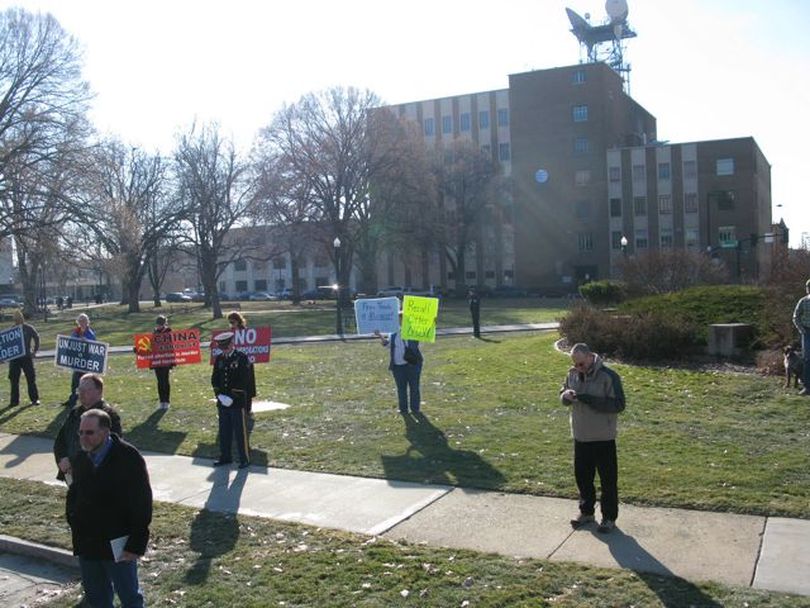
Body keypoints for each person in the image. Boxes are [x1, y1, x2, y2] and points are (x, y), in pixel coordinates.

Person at [66, 409, 152, 608]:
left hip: (118, 544)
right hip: (88, 542)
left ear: (105, 432)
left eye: (89, 432)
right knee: (97, 599)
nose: (83, 437)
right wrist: (74, 521)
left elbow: (142, 503)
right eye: (81, 432)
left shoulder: (128, 457)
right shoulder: (80, 459)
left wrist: (135, 544)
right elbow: (74, 495)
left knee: (130, 597)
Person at [560, 342, 626, 534]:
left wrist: (589, 399)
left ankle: (609, 518)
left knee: (608, 480)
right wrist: (566, 396)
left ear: (590, 357)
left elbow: (619, 405)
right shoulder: (572, 374)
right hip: (580, 436)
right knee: (583, 478)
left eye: (581, 363)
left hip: (603, 438)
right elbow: (562, 393)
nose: (578, 367)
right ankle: (587, 512)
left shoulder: (609, 377)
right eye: (575, 363)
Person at [54, 373, 123, 483]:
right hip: (71, 474)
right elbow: (60, 441)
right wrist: (62, 459)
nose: (81, 393)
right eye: (80, 389)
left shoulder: (108, 415)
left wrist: (75, 463)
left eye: (86, 390)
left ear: (99, 391)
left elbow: (107, 447)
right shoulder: (75, 413)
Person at [210, 331, 251, 468]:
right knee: (224, 431)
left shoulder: (241, 358)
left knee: (240, 432)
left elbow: (244, 380)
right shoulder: (219, 359)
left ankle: (244, 459)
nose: (224, 350)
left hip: (236, 401)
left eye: (226, 346)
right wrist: (219, 395)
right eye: (222, 347)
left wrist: (232, 396)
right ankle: (225, 457)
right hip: (223, 402)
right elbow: (215, 378)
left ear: (232, 343)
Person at [374, 311, 424, 414]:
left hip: (412, 365)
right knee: (401, 389)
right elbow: (387, 345)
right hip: (397, 366)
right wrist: (380, 336)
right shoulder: (393, 333)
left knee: (414, 388)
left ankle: (415, 409)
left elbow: (426, 332)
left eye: (402, 319)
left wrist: (432, 323)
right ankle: (403, 409)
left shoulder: (413, 331)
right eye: (399, 319)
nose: (400, 321)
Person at [226, 311, 257, 415]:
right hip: (235, 363)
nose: (231, 324)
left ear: (238, 321)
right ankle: (238, 406)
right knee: (236, 384)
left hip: (246, 363)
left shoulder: (246, 332)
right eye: (229, 322)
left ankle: (248, 408)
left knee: (247, 385)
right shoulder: (230, 333)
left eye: (232, 322)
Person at [8, 309, 40, 407]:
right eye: (16, 319)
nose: (18, 320)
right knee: (14, 380)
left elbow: (37, 337)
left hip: (26, 358)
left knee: (31, 378)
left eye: (19, 318)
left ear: (22, 319)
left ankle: (34, 399)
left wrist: (34, 351)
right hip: (15, 359)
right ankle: (14, 401)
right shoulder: (11, 331)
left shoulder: (29, 328)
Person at [64, 313, 97, 408]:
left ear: (88, 322)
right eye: (80, 321)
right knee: (75, 381)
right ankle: (73, 399)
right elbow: (70, 343)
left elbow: (94, 344)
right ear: (78, 322)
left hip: (86, 361)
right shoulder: (75, 332)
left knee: (86, 381)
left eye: (84, 321)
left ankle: (88, 400)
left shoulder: (90, 333)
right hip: (77, 361)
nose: (82, 323)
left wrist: (86, 341)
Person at [792, 278, 810, 395]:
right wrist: (802, 330)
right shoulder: (803, 301)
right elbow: (796, 317)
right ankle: (807, 386)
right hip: (807, 332)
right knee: (807, 359)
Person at [151, 315, 174, 409]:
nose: (159, 326)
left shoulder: (169, 332)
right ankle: (162, 401)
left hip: (166, 359)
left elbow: (173, 345)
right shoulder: (154, 332)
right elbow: (150, 345)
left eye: (161, 324)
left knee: (165, 380)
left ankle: (167, 401)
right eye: (158, 324)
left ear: (164, 324)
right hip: (157, 360)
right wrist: (138, 348)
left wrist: (172, 360)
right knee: (159, 381)